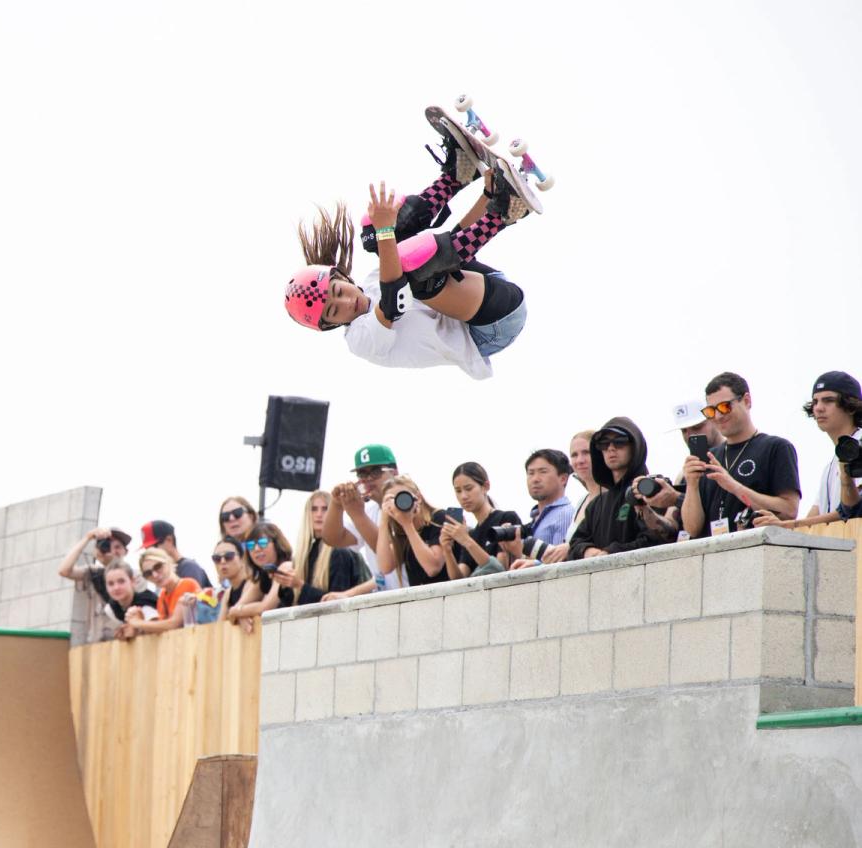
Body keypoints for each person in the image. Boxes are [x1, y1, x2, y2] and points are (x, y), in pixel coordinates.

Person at [283, 163, 533, 380]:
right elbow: (394, 303)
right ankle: (506, 212)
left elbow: (446, 248)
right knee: (401, 260)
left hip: (484, 287)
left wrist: (487, 196)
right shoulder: (359, 340)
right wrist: (384, 230)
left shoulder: (372, 281)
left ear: (343, 276)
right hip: (490, 328)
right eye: (335, 310)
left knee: (383, 240)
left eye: (339, 291)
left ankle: (457, 175)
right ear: (331, 325)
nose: (348, 301)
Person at [680, 372, 802, 537]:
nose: (718, 416)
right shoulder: (709, 457)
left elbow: (789, 510)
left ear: (746, 401)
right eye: (710, 411)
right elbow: (691, 529)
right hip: (713, 554)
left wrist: (734, 486)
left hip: (756, 551)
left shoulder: (776, 447)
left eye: (724, 406)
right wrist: (692, 485)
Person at [569, 417, 679, 560]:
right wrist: (587, 551)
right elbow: (575, 543)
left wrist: (611, 552)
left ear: (635, 446)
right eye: (604, 443)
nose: (611, 448)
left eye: (619, 441)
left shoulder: (653, 490)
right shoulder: (596, 505)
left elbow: (657, 539)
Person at [320, 444, 404, 590]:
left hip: (416, 596)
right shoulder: (370, 509)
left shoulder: (408, 503)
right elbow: (333, 539)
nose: (368, 480)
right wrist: (336, 504)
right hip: (386, 599)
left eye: (376, 472)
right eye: (362, 474)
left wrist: (357, 514)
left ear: (394, 472)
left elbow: (389, 555)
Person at [438, 462, 522, 579]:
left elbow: (499, 571)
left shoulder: (506, 518)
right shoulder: (471, 534)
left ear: (485, 486)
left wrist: (466, 540)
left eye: (469, 488)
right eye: (458, 491)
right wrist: (447, 550)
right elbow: (458, 579)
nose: (464, 496)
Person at [57, 526, 138, 642]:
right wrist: (87, 538)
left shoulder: (135, 576)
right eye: (107, 547)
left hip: (125, 641)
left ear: (126, 551)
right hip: (97, 643)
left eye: (118, 547)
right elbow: (64, 570)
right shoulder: (93, 573)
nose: (113, 551)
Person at [292, 490, 372, 603]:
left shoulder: (340, 552)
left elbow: (335, 600)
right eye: (314, 509)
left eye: (325, 509)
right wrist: (285, 585)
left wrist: (300, 586)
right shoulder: (306, 553)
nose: (319, 514)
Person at [800, 371, 862, 518]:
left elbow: (850, 512)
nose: (818, 408)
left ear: (851, 406)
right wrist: (779, 529)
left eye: (828, 400)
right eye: (815, 402)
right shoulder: (829, 466)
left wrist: (786, 525)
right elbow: (813, 516)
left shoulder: (859, 446)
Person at [376, 476, 451, 588]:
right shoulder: (401, 531)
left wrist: (407, 524)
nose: (399, 503)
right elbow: (385, 567)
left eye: (403, 496)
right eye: (393, 500)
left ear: (418, 498)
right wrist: (384, 520)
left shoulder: (439, 518)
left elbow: (433, 568)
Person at [506, 449, 575, 568]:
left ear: (563, 478)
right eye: (531, 473)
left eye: (543, 472)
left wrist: (519, 552)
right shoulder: (535, 517)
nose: (535, 479)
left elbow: (560, 566)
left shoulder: (565, 514)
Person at [228, 522, 297, 623]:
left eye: (262, 543)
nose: (256, 549)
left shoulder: (286, 567)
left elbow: (266, 608)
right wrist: (242, 616)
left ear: (277, 544)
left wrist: (239, 612)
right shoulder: (263, 576)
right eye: (250, 545)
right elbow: (232, 611)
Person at [124, 549, 201, 636]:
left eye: (158, 567)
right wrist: (140, 623)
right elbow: (161, 629)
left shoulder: (188, 584)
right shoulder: (162, 596)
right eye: (148, 573)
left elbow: (173, 624)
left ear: (168, 562)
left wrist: (138, 623)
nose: (155, 575)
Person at [139, 520, 212, 587]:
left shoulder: (188, 567)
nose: (150, 552)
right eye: (147, 549)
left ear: (169, 540)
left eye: (153, 547)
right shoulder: (161, 576)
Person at [103, 559, 159, 640]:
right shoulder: (111, 609)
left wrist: (138, 630)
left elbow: (158, 631)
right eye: (111, 584)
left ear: (132, 581)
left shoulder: (146, 603)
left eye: (121, 581)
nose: (116, 588)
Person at [208, 535, 253, 632]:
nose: (222, 561)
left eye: (229, 556)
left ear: (242, 559)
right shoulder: (228, 593)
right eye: (217, 558)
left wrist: (238, 613)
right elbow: (220, 628)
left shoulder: (252, 584)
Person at [567, 429, 603, 537]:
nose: (579, 460)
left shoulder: (612, 497)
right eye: (574, 455)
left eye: (586, 452)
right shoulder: (581, 502)